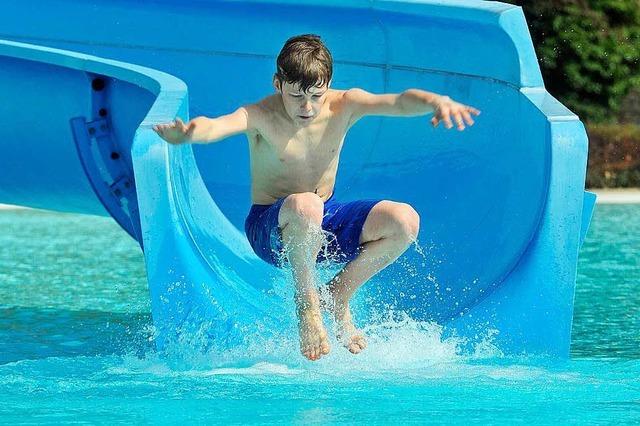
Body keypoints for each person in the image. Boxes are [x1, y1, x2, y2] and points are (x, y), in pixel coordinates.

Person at [153, 34, 480, 361]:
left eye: (316, 96)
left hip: (323, 220)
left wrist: (436, 101)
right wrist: (190, 133)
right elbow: (217, 126)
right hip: (271, 231)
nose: (306, 107)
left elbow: (397, 101)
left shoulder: (345, 105)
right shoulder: (260, 115)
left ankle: (338, 295)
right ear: (277, 83)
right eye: (296, 96)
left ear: (328, 84)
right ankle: (307, 306)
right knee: (305, 204)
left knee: (404, 220)